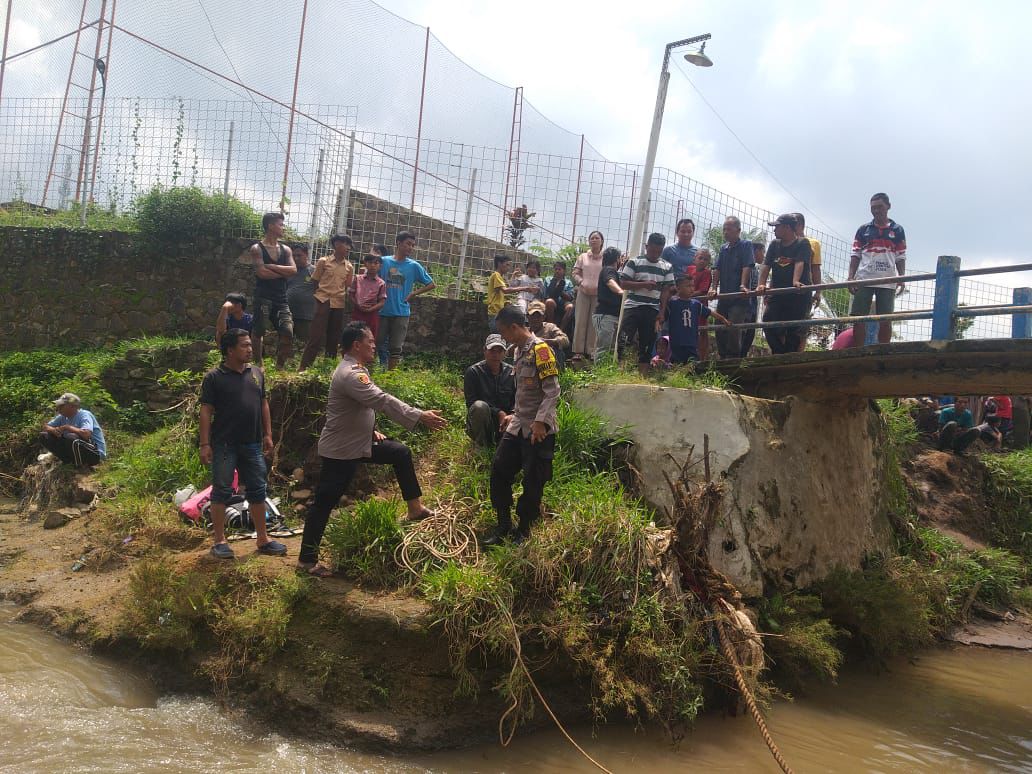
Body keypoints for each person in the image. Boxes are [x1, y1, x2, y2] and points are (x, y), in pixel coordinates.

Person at [298, 322, 448, 576]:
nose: (374, 345)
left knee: (400, 453)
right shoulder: (351, 374)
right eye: (370, 341)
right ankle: (306, 561)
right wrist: (420, 415)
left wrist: (370, 430)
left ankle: (415, 508)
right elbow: (380, 400)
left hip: (359, 442)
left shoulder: (356, 370)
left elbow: (359, 407)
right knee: (325, 502)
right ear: (356, 345)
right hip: (341, 449)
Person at [199, 329, 287, 559]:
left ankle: (263, 539)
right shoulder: (214, 378)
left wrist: (267, 434)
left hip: (252, 443)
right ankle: (219, 541)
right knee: (221, 492)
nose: (250, 349)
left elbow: (264, 404)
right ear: (230, 350)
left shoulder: (256, 374)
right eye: (244, 346)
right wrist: (205, 444)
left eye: (250, 345)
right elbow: (206, 411)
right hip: (225, 445)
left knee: (258, 490)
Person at [484, 306, 560, 546]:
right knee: (499, 470)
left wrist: (540, 422)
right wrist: (513, 415)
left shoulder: (541, 350)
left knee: (533, 481)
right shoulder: (517, 351)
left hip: (538, 430)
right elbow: (525, 392)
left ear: (515, 327)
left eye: (504, 332)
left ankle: (525, 530)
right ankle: (504, 524)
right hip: (518, 425)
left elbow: (552, 391)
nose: (503, 337)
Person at [848, 193, 906, 346]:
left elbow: (901, 255)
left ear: (888, 206)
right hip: (864, 278)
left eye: (879, 207)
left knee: (885, 318)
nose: (876, 211)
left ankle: (883, 350)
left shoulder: (897, 230)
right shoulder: (863, 229)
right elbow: (856, 254)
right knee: (859, 317)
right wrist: (850, 277)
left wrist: (902, 278)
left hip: (888, 279)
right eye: (873, 208)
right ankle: (858, 352)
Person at [756, 214, 813, 354]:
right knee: (768, 321)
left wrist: (795, 281)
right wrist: (761, 284)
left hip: (798, 294)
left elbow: (800, 262)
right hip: (778, 292)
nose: (774, 230)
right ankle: (779, 353)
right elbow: (766, 265)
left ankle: (789, 357)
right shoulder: (775, 244)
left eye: (777, 226)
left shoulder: (802, 243)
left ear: (787, 227)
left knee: (794, 329)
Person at [378, 231, 436, 369]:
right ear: (398, 243)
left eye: (413, 245)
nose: (411, 247)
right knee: (376, 343)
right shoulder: (384, 262)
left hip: (401, 312)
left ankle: (391, 378)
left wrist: (413, 293)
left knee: (395, 348)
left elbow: (431, 284)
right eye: (408, 244)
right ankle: (370, 375)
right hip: (382, 310)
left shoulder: (414, 266)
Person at [619, 232, 674, 375]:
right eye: (652, 250)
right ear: (646, 246)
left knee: (648, 342)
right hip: (633, 306)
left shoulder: (667, 267)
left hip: (652, 309)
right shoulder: (634, 262)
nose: (655, 254)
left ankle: (643, 374)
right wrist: (643, 284)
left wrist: (661, 313)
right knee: (625, 338)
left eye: (658, 251)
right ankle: (620, 371)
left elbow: (666, 291)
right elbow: (623, 283)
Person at [300, 234, 355, 370]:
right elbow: (315, 281)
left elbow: (347, 286)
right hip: (323, 300)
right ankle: (304, 367)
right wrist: (319, 296)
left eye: (349, 245)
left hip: (339, 304)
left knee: (334, 337)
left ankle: (328, 367)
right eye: (345, 244)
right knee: (316, 336)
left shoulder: (349, 267)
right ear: (336, 244)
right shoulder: (323, 262)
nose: (348, 248)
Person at [249, 212, 297, 368]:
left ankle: (279, 367)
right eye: (280, 224)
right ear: (270, 226)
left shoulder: (286, 249)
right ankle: (259, 365)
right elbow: (261, 273)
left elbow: (293, 270)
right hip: (263, 297)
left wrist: (273, 267)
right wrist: (282, 273)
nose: (283, 227)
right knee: (259, 331)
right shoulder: (257, 248)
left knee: (288, 332)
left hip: (281, 298)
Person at [708, 216, 754, 359]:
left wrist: (743, 285)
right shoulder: (724, 248)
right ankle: (722, 356)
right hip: (724, 296)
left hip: (739, 298)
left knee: (734, 327)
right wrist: (714, 288)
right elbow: (717, 268)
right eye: (724, 229)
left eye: (729, 229)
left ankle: (734, 358)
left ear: (738, 230)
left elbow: (747, 266)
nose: (725, 232)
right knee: (719, 326)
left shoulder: (746, 245)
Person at [664, 275, 732, 364]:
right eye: (688, 286)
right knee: (677, 363)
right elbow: (662, 310)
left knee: (692, 363)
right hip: (676, 342)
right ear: (678, 288)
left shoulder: (696, 304)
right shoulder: (672, 303)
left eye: (692, 286)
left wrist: (723, 319)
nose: (691, 288)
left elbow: (710, 312)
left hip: (691, 342)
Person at [463, 333, 516, 448]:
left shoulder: (512, 372)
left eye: (500, 351)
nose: (495, 355)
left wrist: (512, 414)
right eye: (492, 350)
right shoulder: (473, 372)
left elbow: (518, 398)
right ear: (485, 351)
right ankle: (481, 445)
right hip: (484, 421)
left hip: (507, 421)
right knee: (479, 406)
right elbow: (471, 402)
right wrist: (498, 412)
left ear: (505, 353)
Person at [40, 392, 106, 467]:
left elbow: (86, 434)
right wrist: (53, 430)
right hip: (78, 449)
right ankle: (68, 462)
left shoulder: (84, 415)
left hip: (95, 453)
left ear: (72, 406)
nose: (58, 408)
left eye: (61, 406)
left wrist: (67, 427)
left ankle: (79, 466)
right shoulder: (62, 417)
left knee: (71, 437)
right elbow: (46, 427)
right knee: (45, 436)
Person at [571, 231, 605, 362]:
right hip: (583, 292)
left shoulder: (605, 258)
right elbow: (575, 272)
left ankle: (591, 351)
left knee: (594, 322)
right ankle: (578, 351)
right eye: (592, 238)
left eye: (597, 238)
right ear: (589, 241)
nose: (594, 240)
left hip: (598, 294)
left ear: (602, 241)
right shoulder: (583, 257)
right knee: (580, 320)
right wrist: (581, 281)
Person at [592, 247, 624, 362]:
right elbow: (610, 281)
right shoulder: (608, 270)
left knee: (609, 349)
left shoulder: (612, 271)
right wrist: (621, 292)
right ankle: (600, 375)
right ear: (617, 258)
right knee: (604, 349)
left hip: (611, 316)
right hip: (605, 315)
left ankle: (606, 373)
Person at [349, 253, 387, 341]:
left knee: (370, 336)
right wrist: (358, 305)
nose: (373, 265)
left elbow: (382, 302)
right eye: (370, 262)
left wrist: (371, 309)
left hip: (372, 313)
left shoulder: (381, 283)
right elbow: (351, 295)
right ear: (365, 264)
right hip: (358, 311)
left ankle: (368, 354)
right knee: (354, 335)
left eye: (376, 263)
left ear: (380, 266)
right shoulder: (357, 279)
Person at [486, 255, 530, 330]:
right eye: (507, 265)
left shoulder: (499, 276)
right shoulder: (496, 275)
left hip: (498, 311)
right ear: (499, 264)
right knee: (498, 336)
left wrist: (513, 276)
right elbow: (505, 290)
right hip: (495, 311)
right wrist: (525, 288)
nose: (508, 268)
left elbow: (507, 288)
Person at [792, 213, 823, 315]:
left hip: (803, 287)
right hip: (783, 286)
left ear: (801, 226)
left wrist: (818, 292)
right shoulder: (781, 243)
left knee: (800, 321)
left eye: (792, 224)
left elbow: (815, 269)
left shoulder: (813, 243)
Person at [286, 244, 316, 347]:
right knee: (285, 341)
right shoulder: (289, 271)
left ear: (306, 255)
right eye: (294, 255)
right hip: (288, 313)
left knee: (303, 344)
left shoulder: (314, 271)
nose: (296, 258)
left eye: (299, 255)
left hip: (306, 315)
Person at [740, 242, 765, 357]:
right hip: (747, 306)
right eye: (762, 252)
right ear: (756, 251)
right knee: (745, 334)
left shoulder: (754, 268)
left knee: (748, 334)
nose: (763, 256)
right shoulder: (749, 267)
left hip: (751, 306)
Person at [527, 300, 569, 368]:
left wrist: (546, 341)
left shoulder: (550, 327)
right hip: (529, 362)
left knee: (558, 352)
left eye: (538, 316)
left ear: (543, 317)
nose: (535, 319)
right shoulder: (525, 331)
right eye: (532, 316)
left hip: (548, 363)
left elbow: (565, 340)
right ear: (528, 317)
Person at [543, 261, 574, 328]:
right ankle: (551, 328)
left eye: (559, 269)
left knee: (570, 307)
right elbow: (544, 295)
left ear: (564, 271)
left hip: (564, 302)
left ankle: (561, 330)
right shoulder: (548, 279)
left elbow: (570, 298)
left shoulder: (568, 282)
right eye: (556, 269)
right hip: (552, 300)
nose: (557, 271)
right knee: (549, 301)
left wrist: (560, 291)